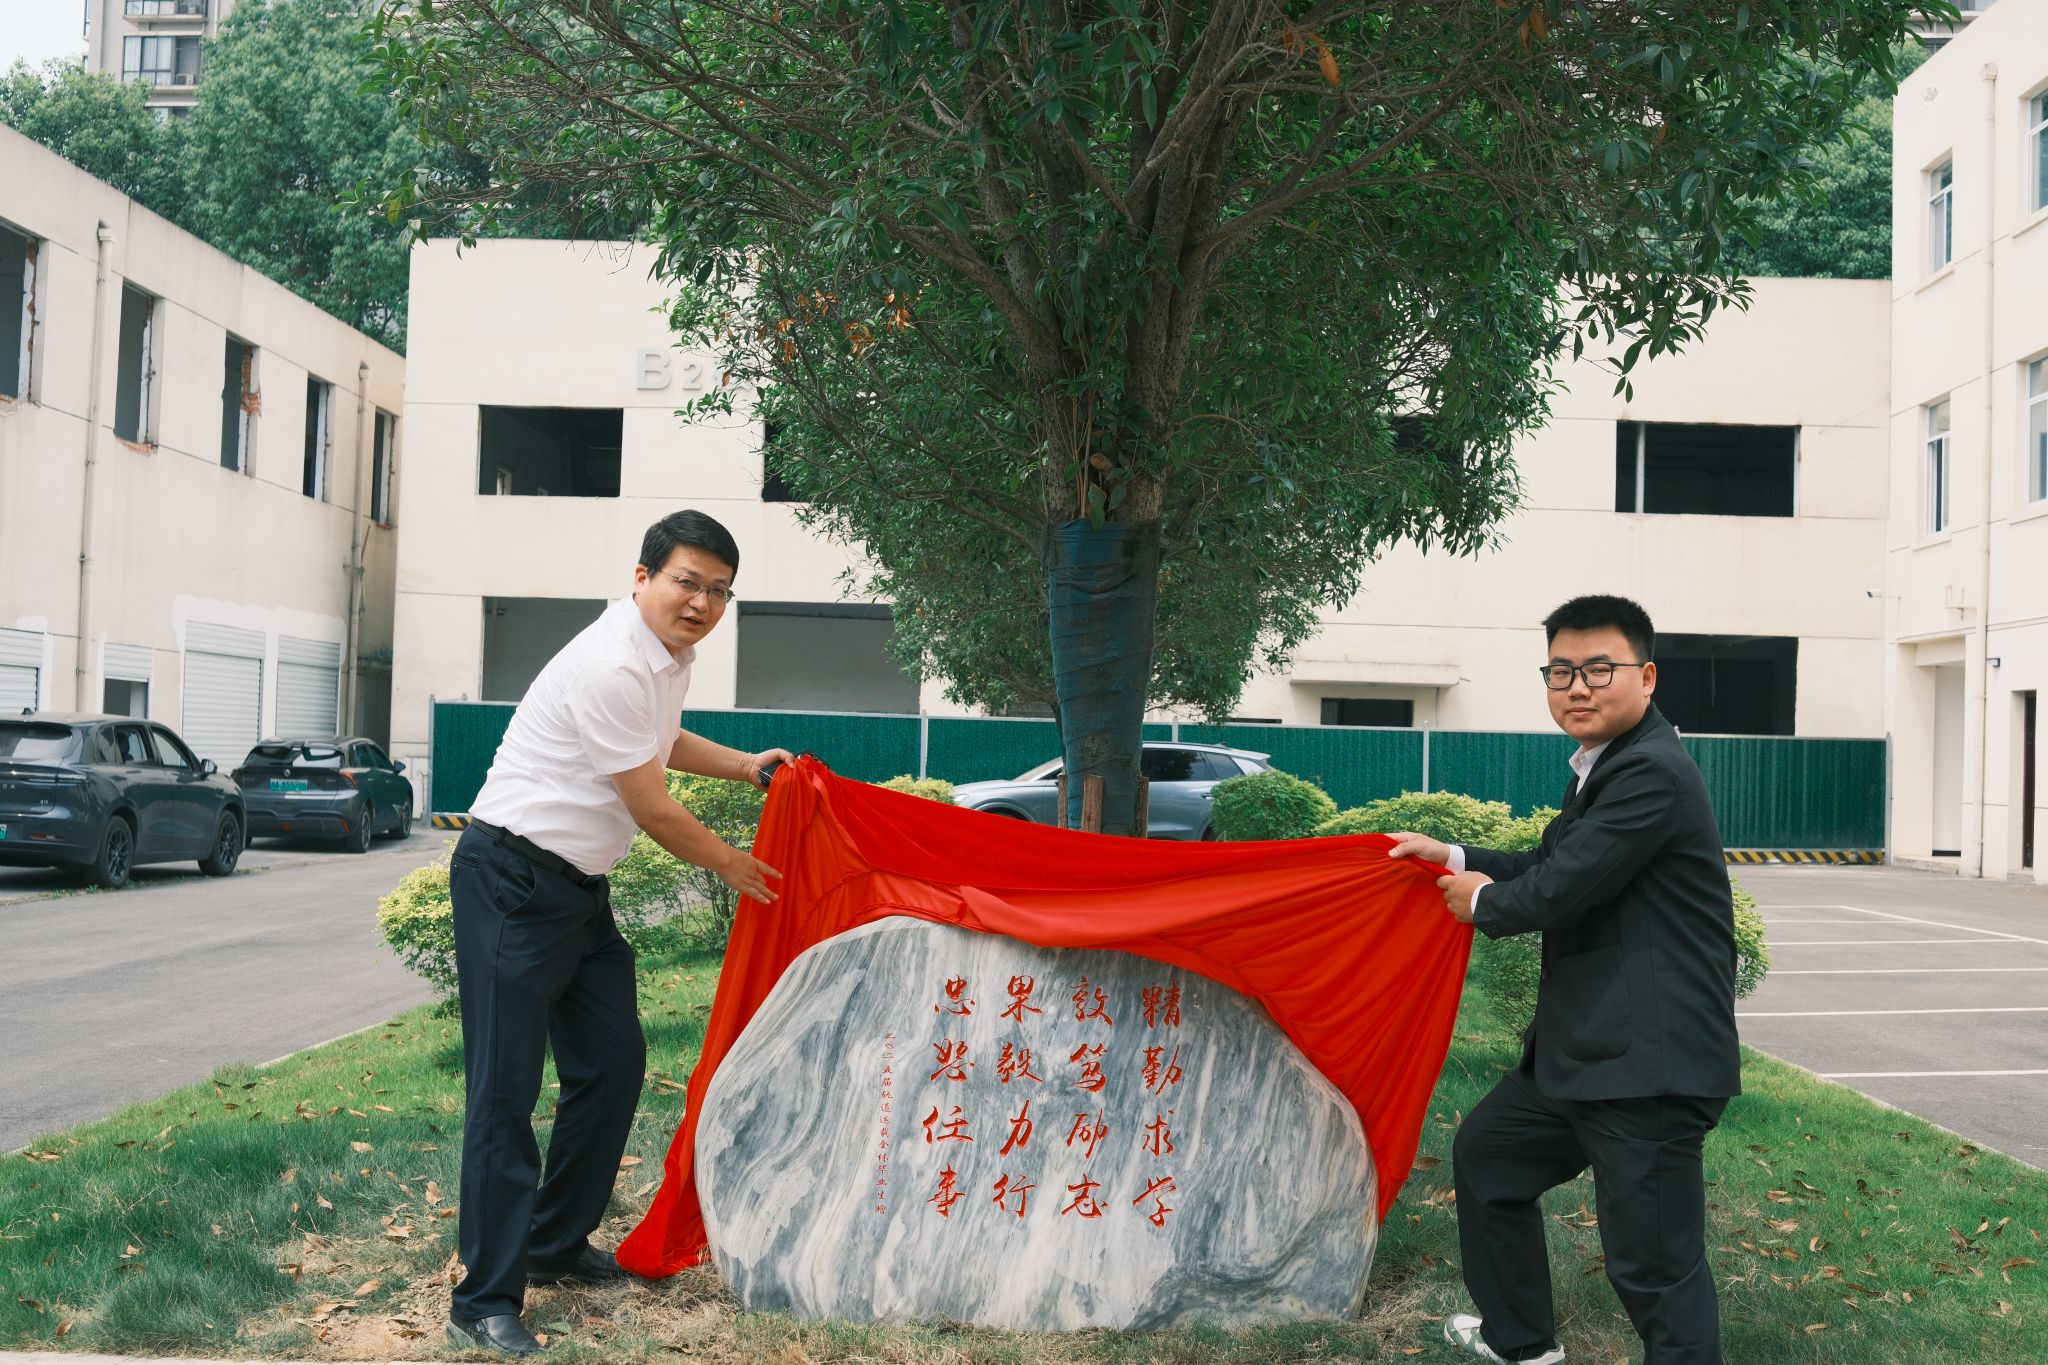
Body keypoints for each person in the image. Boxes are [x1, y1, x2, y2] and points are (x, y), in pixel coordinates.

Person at [446, 510, 791, 1355]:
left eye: (719, 590)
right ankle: (482, 1299)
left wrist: (745, 765)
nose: (702, 602)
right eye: (687, 581)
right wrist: (735, 864)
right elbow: (653, 807)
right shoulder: (611, 663)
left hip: (576, 891)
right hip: (511, 881)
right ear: (642, 577)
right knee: (504, 1092)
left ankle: (553, 1242)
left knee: (611, 1062)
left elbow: (659, 741)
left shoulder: (663, 658)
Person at [1390, 594, 1739, 1365]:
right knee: (1490, 1157)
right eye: (1561, 671)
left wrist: (1483, 901)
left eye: (1599, 669)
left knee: (1654, 1268)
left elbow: (1558, 889)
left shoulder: (1651, 772)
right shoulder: (1605, 767)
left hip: (1648, 1067)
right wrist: (1453, 856)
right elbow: (1552, 863)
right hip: (1587, 1053)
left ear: (1646, 676)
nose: (1578, 687)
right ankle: (1522, 1344)